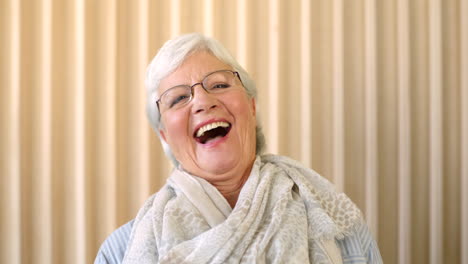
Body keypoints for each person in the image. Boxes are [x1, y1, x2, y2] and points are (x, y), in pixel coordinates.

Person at [95, 33, 382, 264]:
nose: (202, 102)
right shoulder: (121, 252)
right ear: (165, 136)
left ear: (252, 106)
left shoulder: (337, 227)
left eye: (219, 85)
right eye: (179, 98)